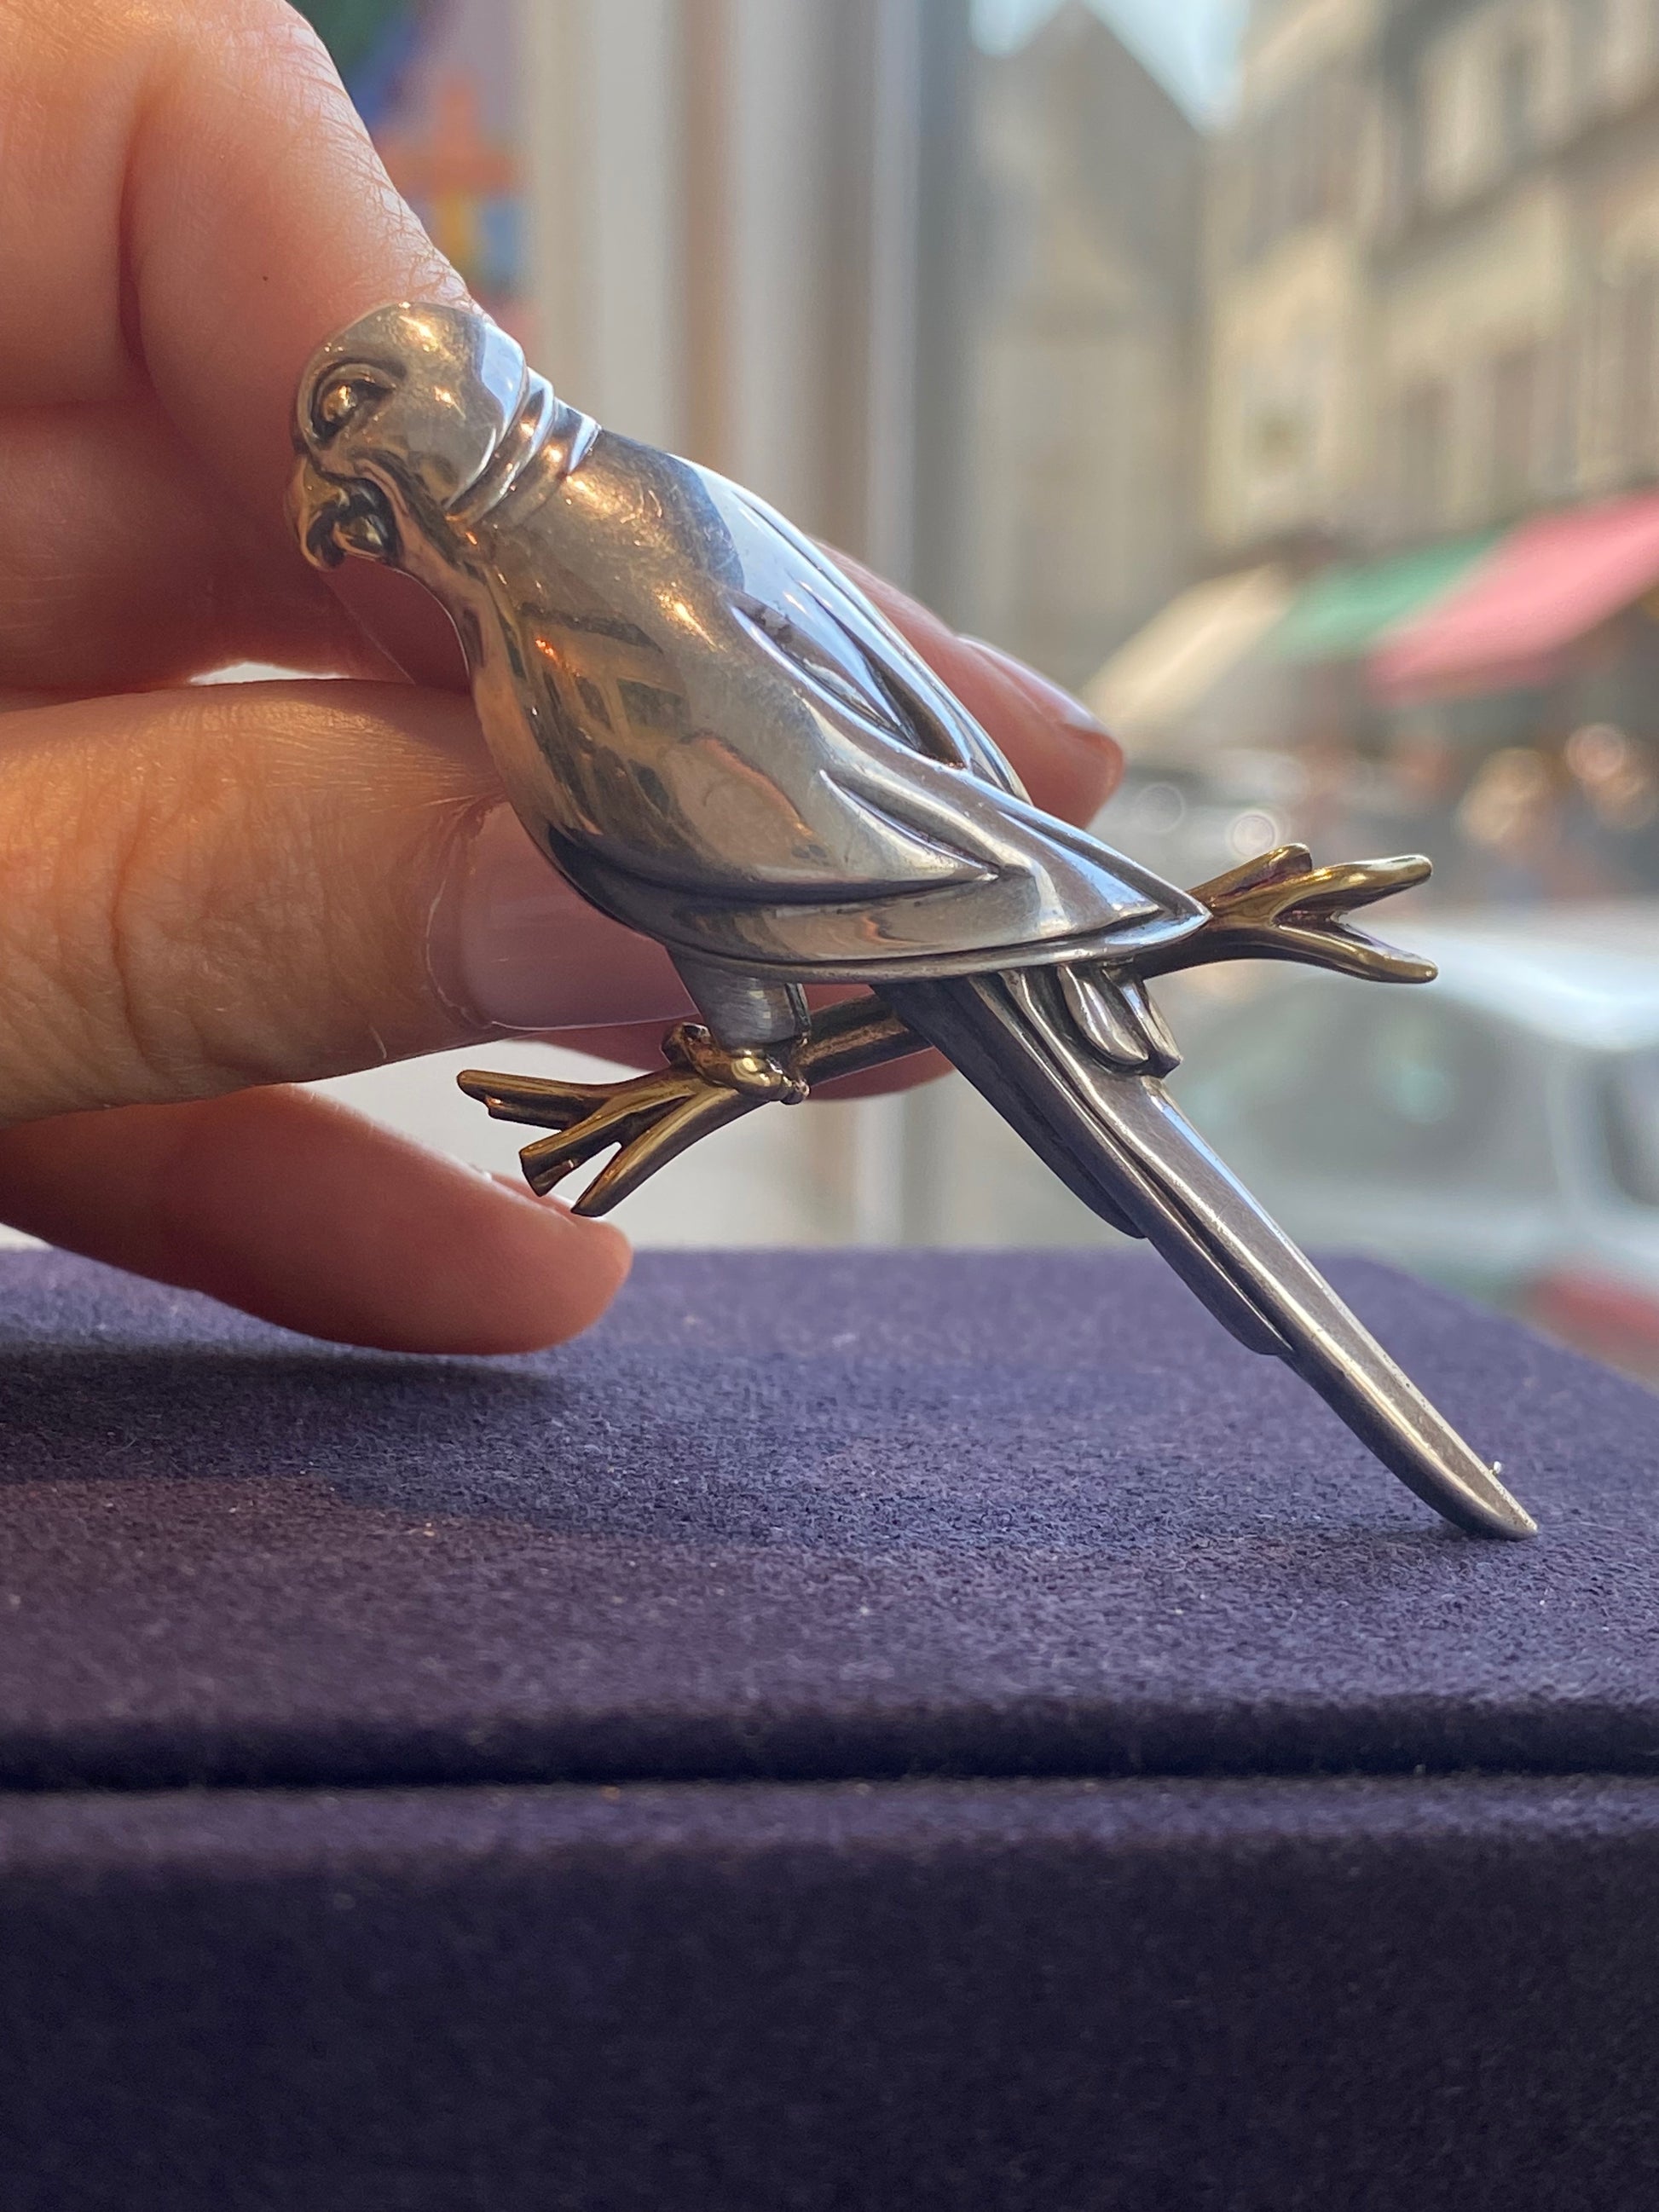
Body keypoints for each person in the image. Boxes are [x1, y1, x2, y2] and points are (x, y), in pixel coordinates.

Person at [0, 0, 1119, 1354]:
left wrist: (1074, 909)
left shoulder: (580, 598)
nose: (324, 509)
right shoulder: (630, 521)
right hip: (931, 900)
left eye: (353, 443)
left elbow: (815, 819)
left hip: (922, 892)